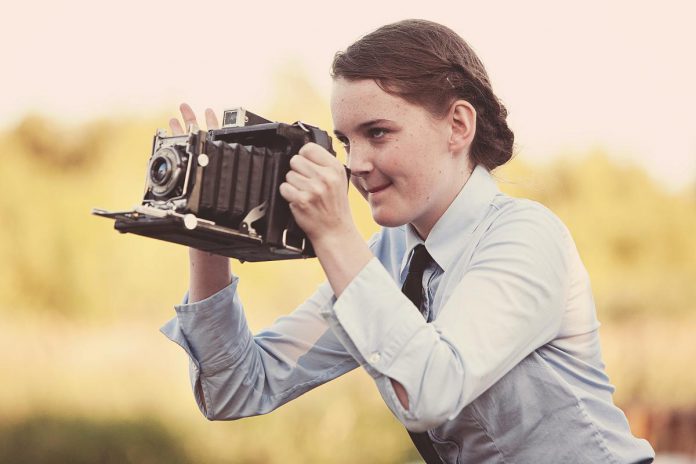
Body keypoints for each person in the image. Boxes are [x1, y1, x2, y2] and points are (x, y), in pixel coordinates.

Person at [161, 19, 655, 463]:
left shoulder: (525, 236)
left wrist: (335, 232)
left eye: (378, 133)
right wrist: (208, 230)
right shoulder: (387, 256)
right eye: (346, 140)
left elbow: (433, 390)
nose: (354, 163)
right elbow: (238, 389)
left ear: (458, 125)